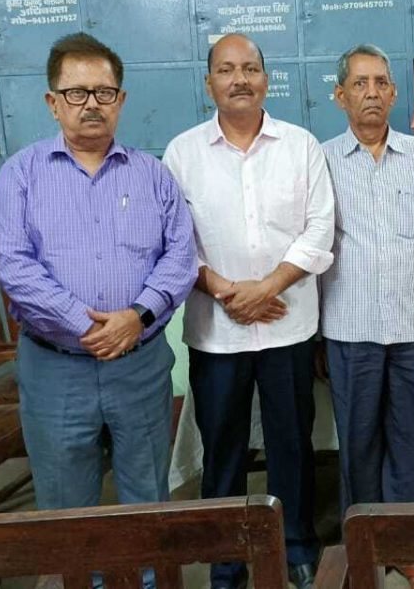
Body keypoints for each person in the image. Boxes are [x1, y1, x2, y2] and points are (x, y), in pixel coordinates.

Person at [0, 33, 196, 523]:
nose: (91, 104)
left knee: (148, 498)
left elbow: (181, 256)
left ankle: (147, 567)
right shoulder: (20, 175)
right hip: (55, 368)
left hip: (138, 364)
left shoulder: (153, 175)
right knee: (65, 508)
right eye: (76, 93)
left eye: (104, 92)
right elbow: (13, 264)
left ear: (120, 100)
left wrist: (135, 317)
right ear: (53, 102)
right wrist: (86, 324)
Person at [162, 33, 333, 589]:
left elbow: (320, 229)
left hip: (288, 326)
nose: (240, 79)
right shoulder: (182, 153)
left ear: (266, 78)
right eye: (226, 69)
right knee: (223, 450)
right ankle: (226, 559)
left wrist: (268, 287)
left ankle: (297, 545)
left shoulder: (301, 146)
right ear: (208, 81)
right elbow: (175, 242)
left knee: (292, 445)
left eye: (250, 68)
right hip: (217, 331)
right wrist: (225, 291)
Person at [320, 44, 414, 589]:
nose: (372, 93)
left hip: (412, 329)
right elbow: (313, 247)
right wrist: (314, 334)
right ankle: (364, 549)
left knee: (413, 443)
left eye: (381, 82)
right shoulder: (322, 161)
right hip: (348, 328)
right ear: (340, 96)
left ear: (395, 93)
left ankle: (411, 547)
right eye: (360, 84)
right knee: (357, 445)